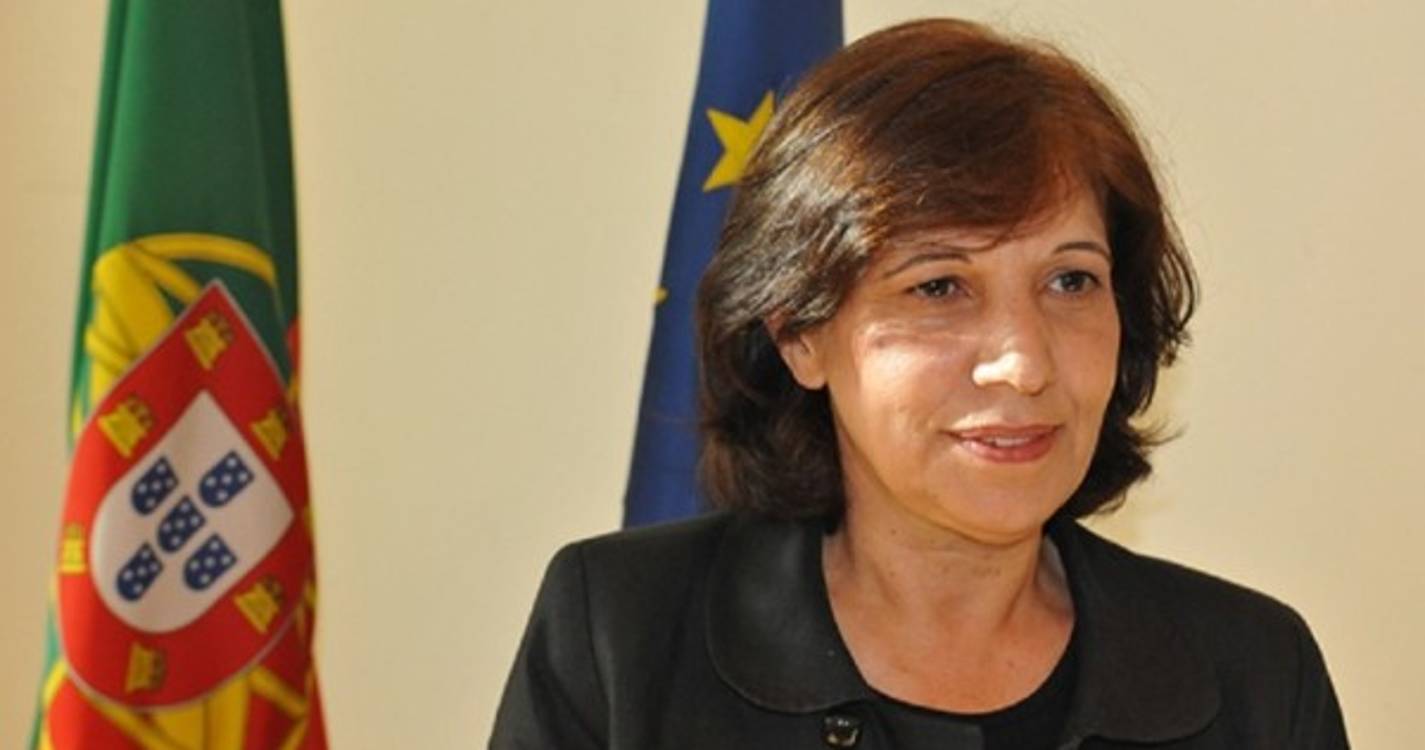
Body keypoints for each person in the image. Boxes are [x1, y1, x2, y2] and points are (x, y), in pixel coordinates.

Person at [490, 18, 1348, 749]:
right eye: (938, 287)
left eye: (1069, 281)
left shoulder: (1254, 677)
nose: (1023, 362)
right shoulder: (619, 635)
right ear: (799, 336)